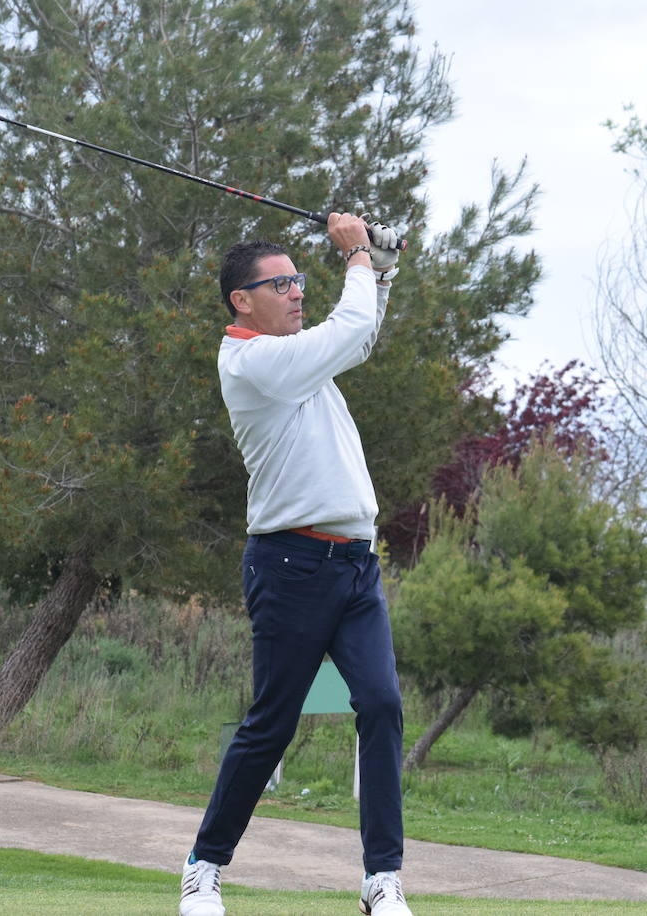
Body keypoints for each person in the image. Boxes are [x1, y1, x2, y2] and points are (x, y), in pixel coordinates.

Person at [180, 213, 413, 916]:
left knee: (381, 704)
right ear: (241, 301)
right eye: (279, 284)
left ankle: (382, 880)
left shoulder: (298, 356)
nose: (295, 293)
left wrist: (383, 267)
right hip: (291, 563)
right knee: (273, 722)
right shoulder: (252, 364)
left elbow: (356, 338)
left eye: (298, 280)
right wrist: (357, 259)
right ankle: (204, 870)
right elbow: (346, 332)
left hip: (355, 566)